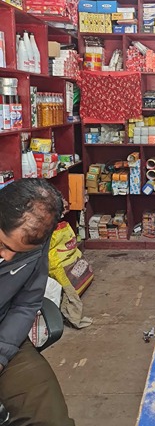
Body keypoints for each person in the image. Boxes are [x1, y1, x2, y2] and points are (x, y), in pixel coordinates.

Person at [0, 178, 75, 425]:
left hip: (5, 333)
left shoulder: (36, 243)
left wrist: (2, 354)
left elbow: (26, 304)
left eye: (17, 252)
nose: (7, 257)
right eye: (2, 244)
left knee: (51, 418)